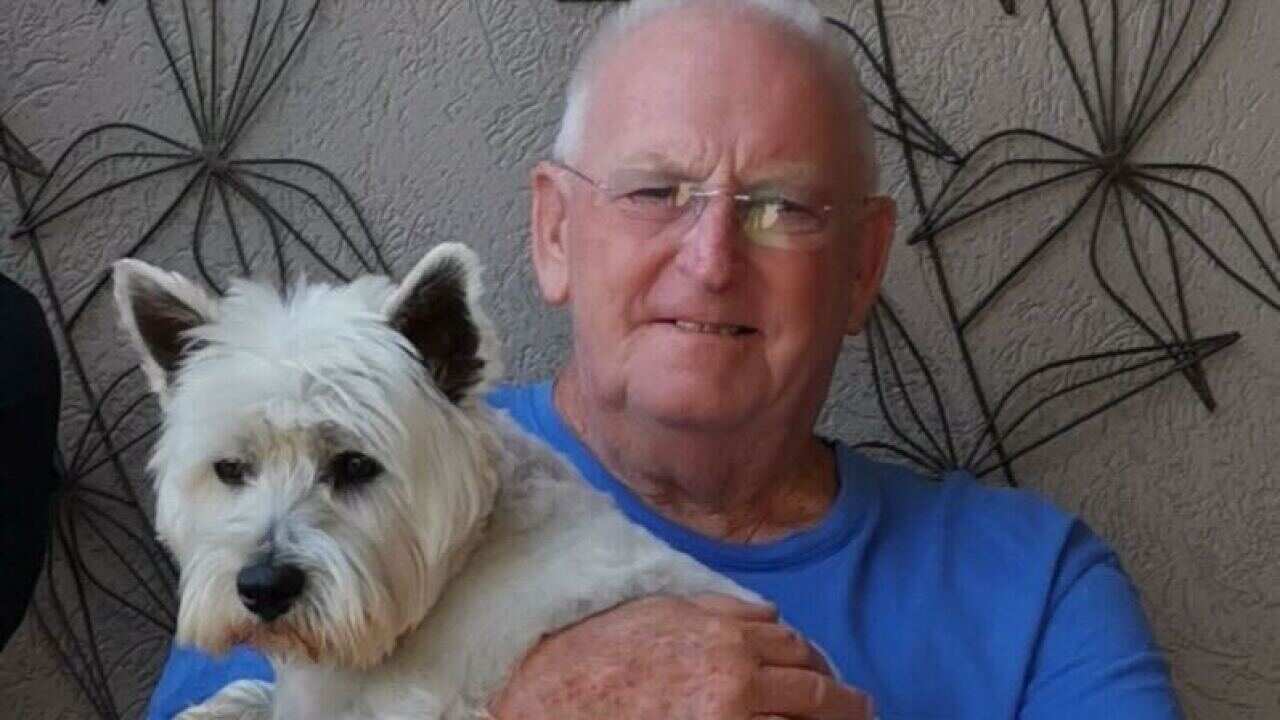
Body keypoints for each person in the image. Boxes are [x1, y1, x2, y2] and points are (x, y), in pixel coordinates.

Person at [147, 1, 1182, 718]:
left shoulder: (1035, 587)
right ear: (552, 234)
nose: (711, 259)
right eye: (654, 192)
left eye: (779, 207)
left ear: (863, 265)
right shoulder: (299, 546)